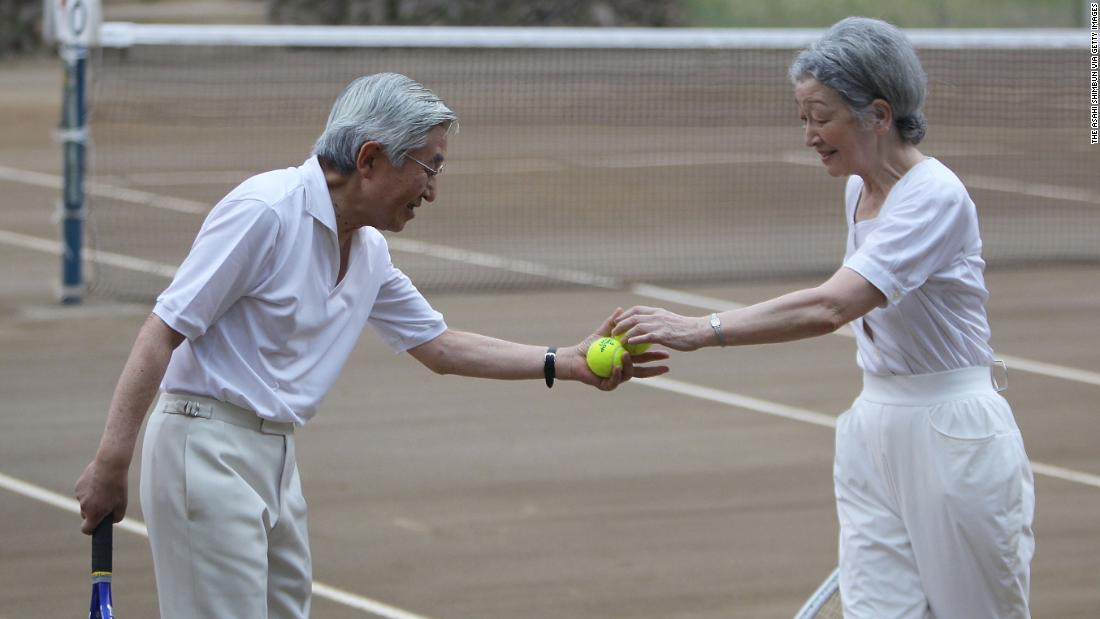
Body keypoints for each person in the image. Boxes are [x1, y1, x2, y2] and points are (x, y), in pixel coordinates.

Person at [74, 72, 669, 619]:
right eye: (429, 168)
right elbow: (162, 331)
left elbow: (438, 346)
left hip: (275, 457)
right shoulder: (265, 212)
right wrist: (112, 461)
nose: (432, 191)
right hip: (202, 450)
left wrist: (564, 361)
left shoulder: (368, 250)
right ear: (370, 158)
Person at [611, 17, 1034, 619]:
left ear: (879, 115)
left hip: (952, 431)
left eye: (822, 115)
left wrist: (699, 330)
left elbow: (833, 305)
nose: (809, 134)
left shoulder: (934, 195)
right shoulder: (857, 190)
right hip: (873, 427)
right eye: (803, 116)